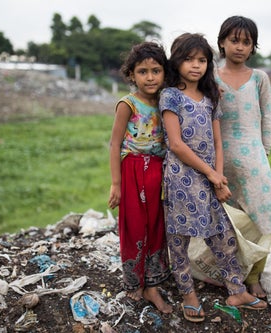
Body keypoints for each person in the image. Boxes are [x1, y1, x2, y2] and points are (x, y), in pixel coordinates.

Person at [159, 32, 267, 323]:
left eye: (202, 60)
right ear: (176, 62)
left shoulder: (210, 96)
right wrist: (211, 174)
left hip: (209, 178)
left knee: (222, 235)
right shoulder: (170, 96)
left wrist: (218, 177)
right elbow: (177, 144)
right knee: (179, 239)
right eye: (189, 59)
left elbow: (218, 142)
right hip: (181, 179)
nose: (196, 66)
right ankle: (188, 295)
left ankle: (236, 290)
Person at [215, 16, 271, 299]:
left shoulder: (260, 78)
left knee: (264, 217)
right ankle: (228, 275)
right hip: (220, 159)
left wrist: (264, 153)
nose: (240, 47)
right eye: (234, 40)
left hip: (254, 158)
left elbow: (267, 116)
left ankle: (255, 277)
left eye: (246, 42)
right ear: (222, 43)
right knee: (227, 220)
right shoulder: (211, 76)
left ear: (253, 47)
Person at [108, 41, 172, 314]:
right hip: (132, 169)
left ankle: (153, 285)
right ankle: (134, 282)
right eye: (143, 71)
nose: (150, 77)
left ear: (164, 73)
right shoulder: (128, 104)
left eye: (156, 70)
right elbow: (114, 143)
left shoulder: (166, 101)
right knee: (134, 226)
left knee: (156, 225)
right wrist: (115, 183)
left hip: (158, 169)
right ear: (132, 74)